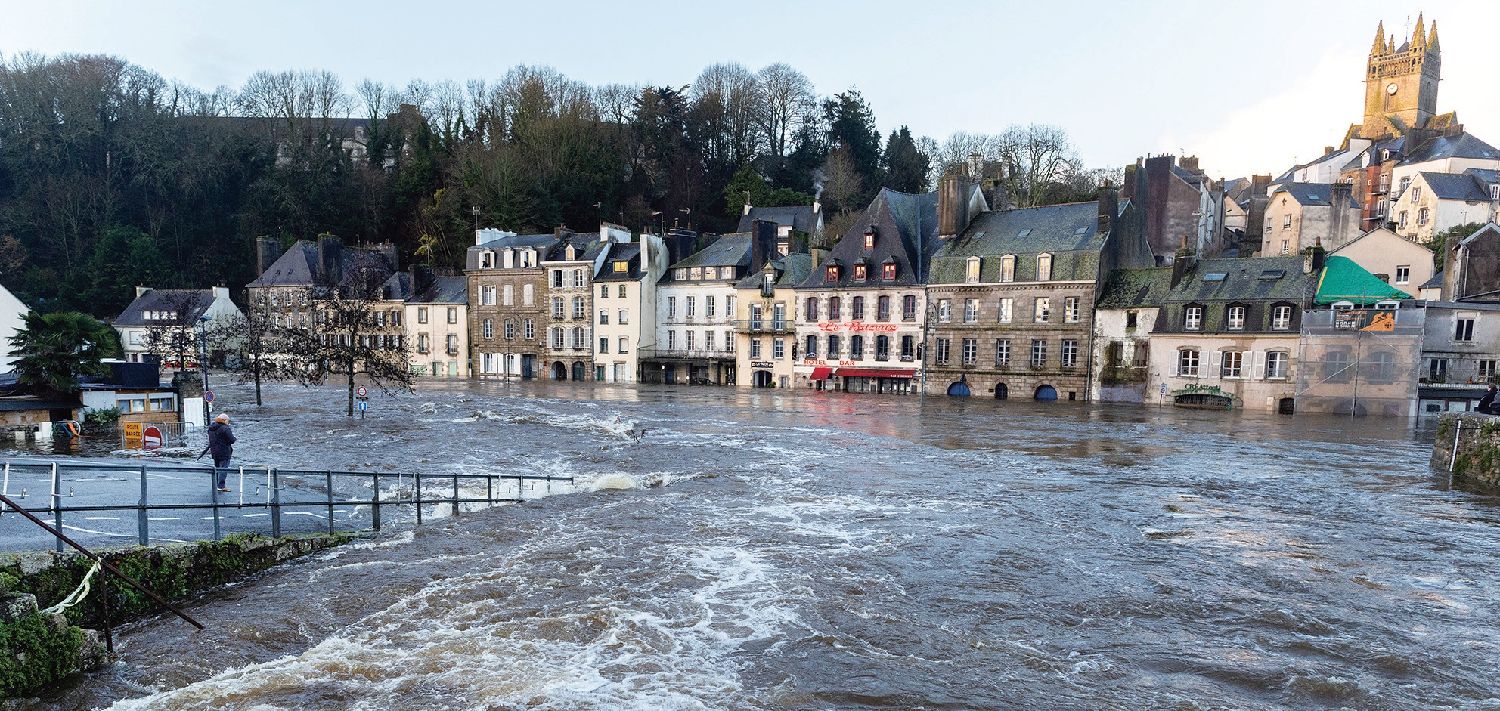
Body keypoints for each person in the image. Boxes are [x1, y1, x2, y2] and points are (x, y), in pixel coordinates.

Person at [207, 413, 237, 492]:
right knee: (223, 469)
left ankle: (216, 485)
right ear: (224, 420)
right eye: (228, 421)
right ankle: (221, 486)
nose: (228, 422)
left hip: (214, 451)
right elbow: (231, 440)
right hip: (224, 452)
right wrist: (234, 438)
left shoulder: (211, 428)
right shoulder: (225, 428)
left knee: (217, 468)